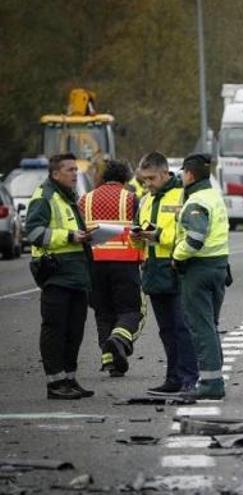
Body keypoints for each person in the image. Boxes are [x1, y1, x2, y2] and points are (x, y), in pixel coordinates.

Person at [25, 153, 94, 399]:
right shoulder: (45, 196)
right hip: (56, 275)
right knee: (55, 329)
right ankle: (55, 384)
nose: (75, 173)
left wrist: (87, 235)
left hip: (76, 274)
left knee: (74, 331)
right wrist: (69, 236)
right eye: (70, 170)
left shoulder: (69, 197)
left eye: (76, 169)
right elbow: (33, 232)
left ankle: (69, 378)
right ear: (55, 174)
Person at [130, 152, 198, 395]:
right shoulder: (146, 199)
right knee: (167, 330)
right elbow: (141, 243)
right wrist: (136, 237)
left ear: (164, 172)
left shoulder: (183, 194)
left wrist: (158, 236)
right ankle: (173, 378)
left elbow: (189, 233)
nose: (147, 184)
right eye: (143, 180)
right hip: (154, 273)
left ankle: (190, 379)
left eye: (151, 179)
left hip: (177, 270)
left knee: (183, 328)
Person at [78, 160, 145, 378]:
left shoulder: (85, 200)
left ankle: (110, 361)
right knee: (130, 310)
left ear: (103, 177)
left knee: (103, 311)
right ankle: (119, 339)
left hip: (94, 264)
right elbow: (139, 230)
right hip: (125, 262)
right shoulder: (130, 198)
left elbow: (79, 231)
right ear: (126, 178)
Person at [173, 153, 230, 400]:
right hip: (219, 267)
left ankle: (210, 385)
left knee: (201, 327)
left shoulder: (196, 201)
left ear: (189, 174)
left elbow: (195, 238)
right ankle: (215, 378)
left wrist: (177, 256)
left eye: (182, 173)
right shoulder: (214, 197)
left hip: (199, 269)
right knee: (211, 325)